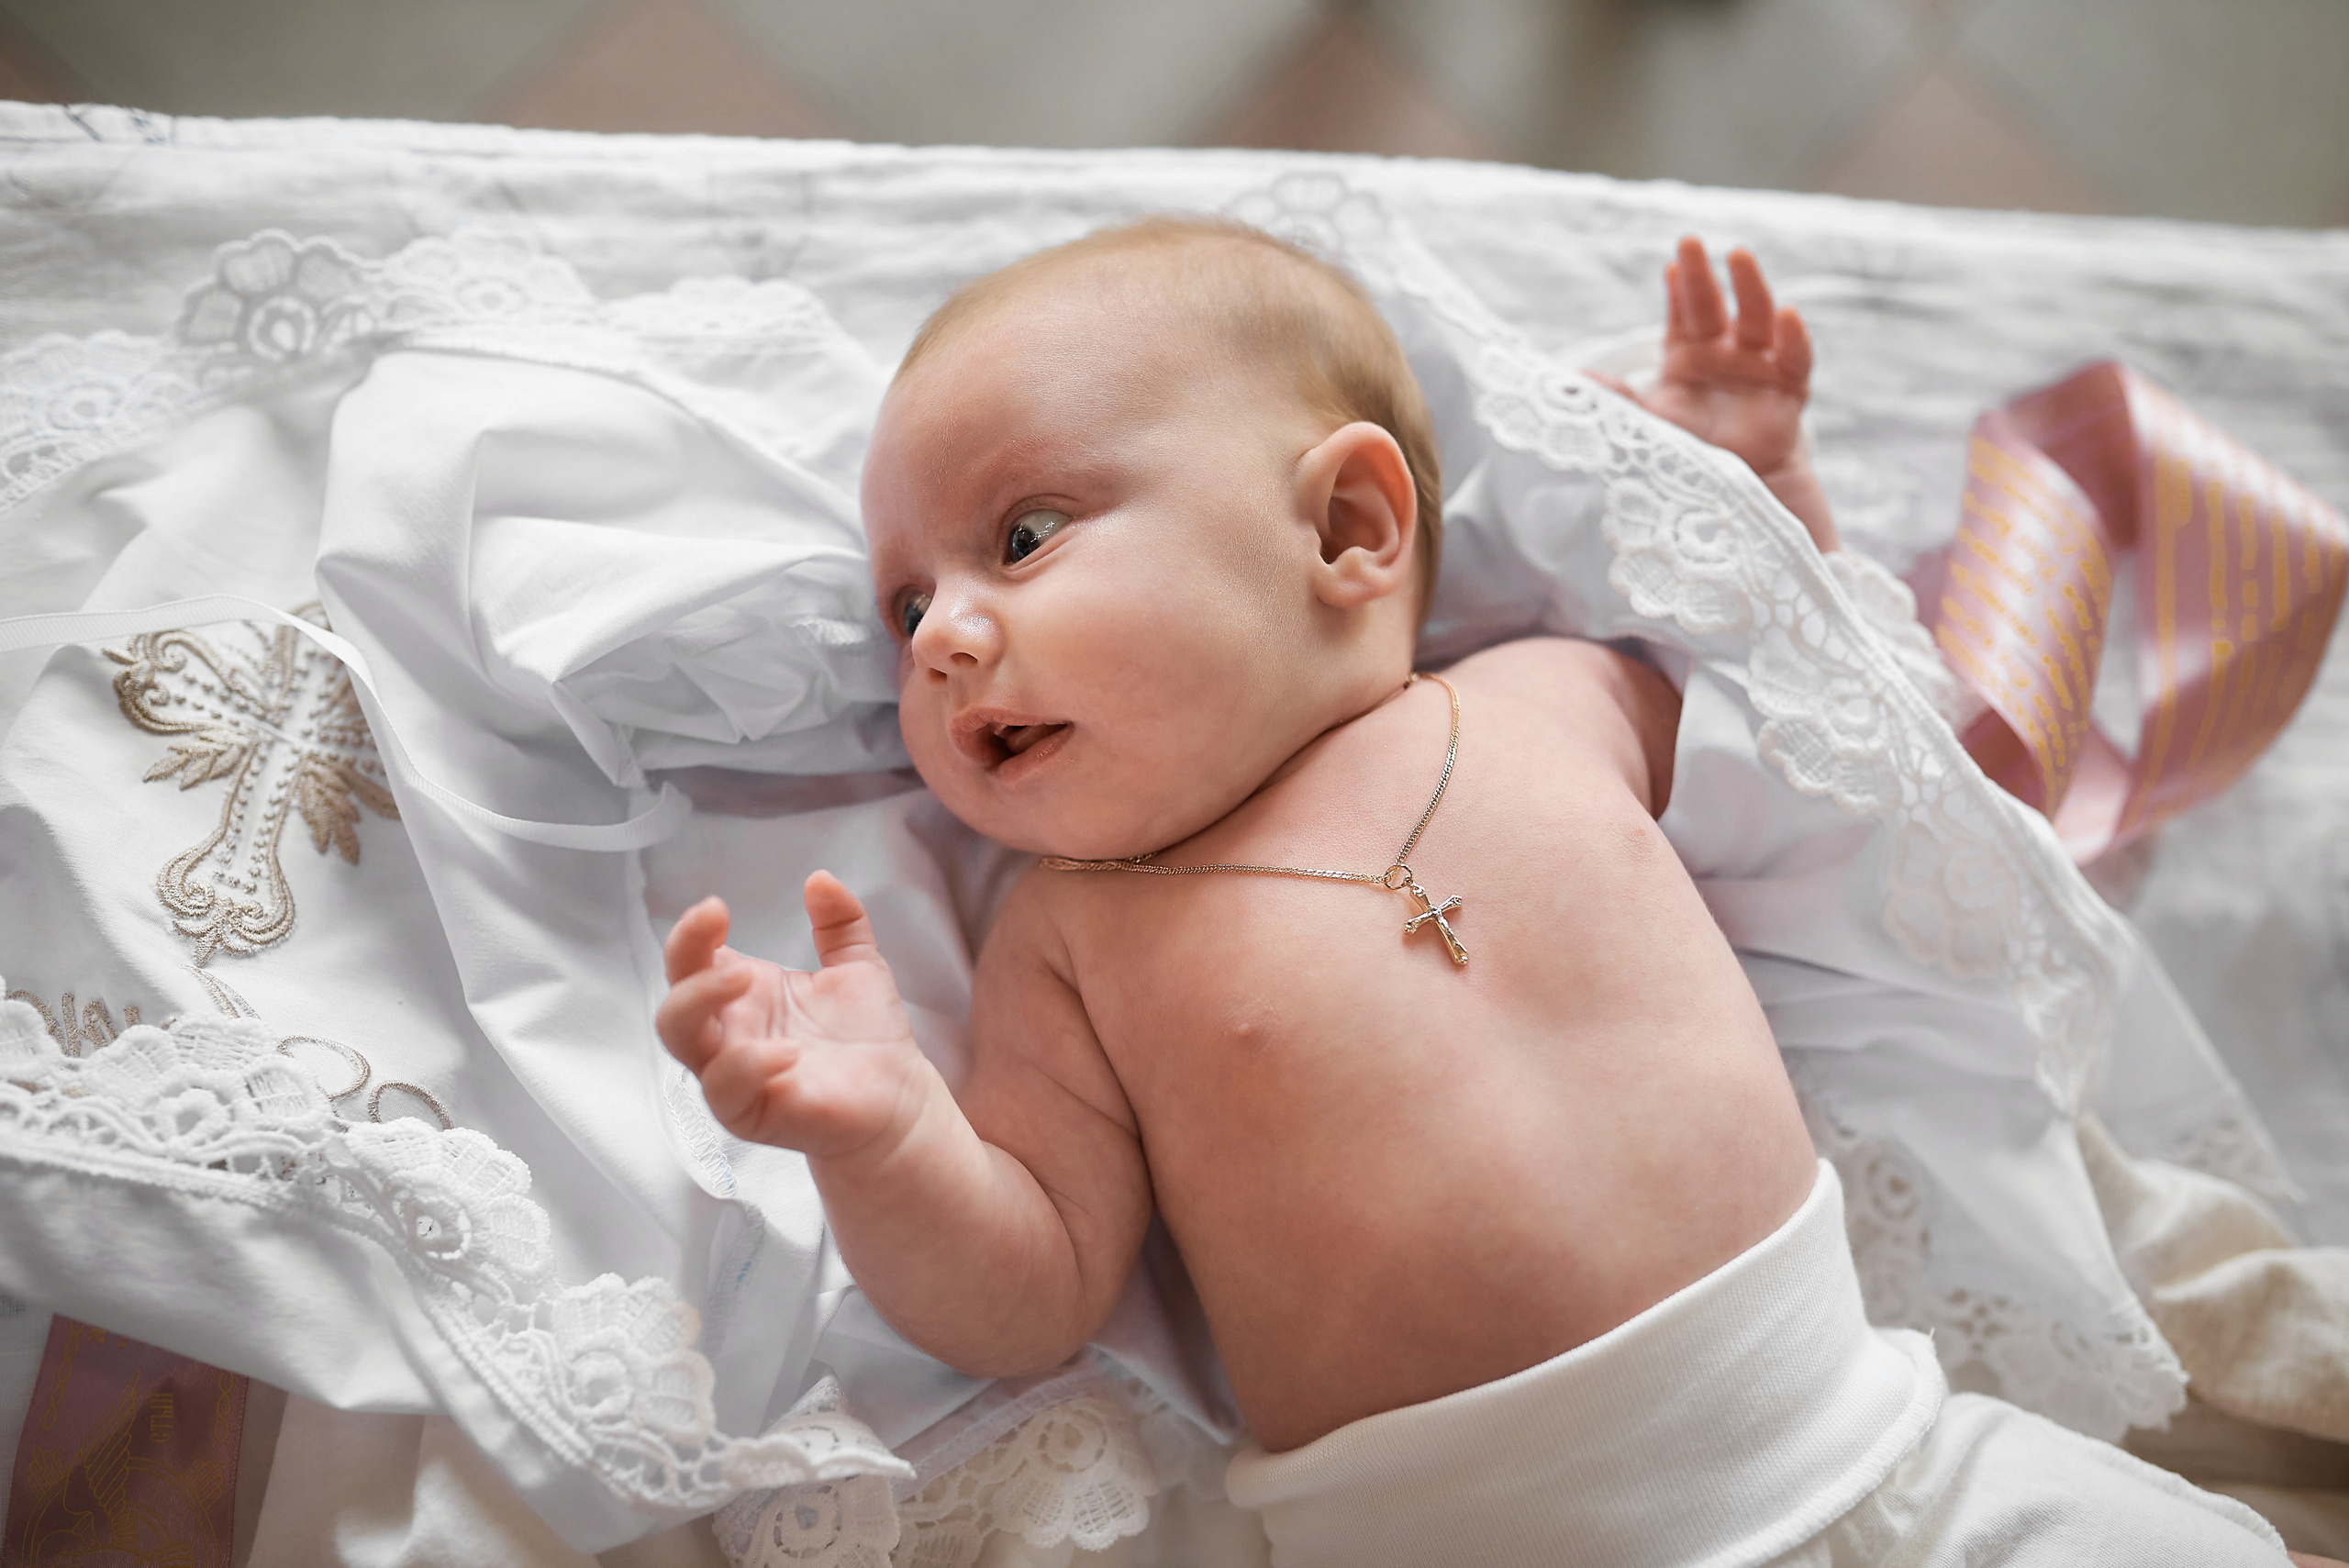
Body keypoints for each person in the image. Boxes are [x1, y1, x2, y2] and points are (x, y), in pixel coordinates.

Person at [659, 219, 2301, 1565]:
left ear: (1352, 526)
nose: (940, 636)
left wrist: (1748, 497)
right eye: (903, 605)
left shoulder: (1549, 694)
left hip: (1891, 1468)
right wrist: (884, 1135)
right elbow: (1028, 1292)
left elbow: (1845, 725)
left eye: (1020, 536)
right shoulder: (1068, 937)